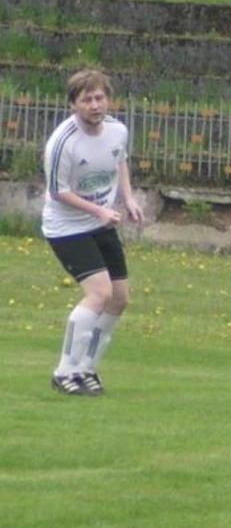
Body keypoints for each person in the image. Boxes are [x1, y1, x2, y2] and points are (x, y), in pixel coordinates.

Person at [43, 70, 143, 397]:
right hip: (67, 228)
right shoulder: (62, 143)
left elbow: (120, 162)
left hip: (101, 223)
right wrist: (98, 210)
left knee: (119, 298)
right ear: (73, 104)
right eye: (86, 99)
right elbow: (58, 192)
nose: (95, 105)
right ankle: (64, 372)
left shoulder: (117, 131)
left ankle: (86, 368)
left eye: (99, 98)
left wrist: (128, 199)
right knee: (99, 293)